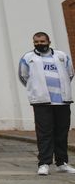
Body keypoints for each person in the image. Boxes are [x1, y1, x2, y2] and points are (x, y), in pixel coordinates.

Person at [18, 32, 75, 175]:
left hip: (62, 102)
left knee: (62, 133)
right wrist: (36, 89)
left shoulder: (61, 56)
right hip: (42, 102)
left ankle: (62, 163)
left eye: (42, 41)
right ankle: (44, 163)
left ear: (49, 42)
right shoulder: (28, 58)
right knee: (44, 133)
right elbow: (24, 76)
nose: (39, 44)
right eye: (36, 42)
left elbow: (70, 73)